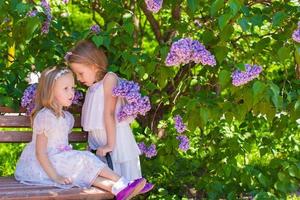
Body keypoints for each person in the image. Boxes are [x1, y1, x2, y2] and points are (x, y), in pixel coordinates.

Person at [14, 66, 148, 200]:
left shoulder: (66, 117)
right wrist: (56, 177)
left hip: (60, 160)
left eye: (72, 88)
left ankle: (118, 188)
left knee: (84, 171)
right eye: (65, 88)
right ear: (50, 91)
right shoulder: (45, 117)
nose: (71, 93)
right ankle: (124, 182)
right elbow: (40, 153)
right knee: (84, 159)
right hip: (45, 165)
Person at [66, 40, 153, 193]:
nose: (78, 78)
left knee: (122, 180)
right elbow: (94, 125)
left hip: (114, 140)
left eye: (80, 73)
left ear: (93, 65)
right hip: (100, 143)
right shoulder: (92, 87)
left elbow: (109, 113)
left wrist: (110, 145)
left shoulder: (109, 79)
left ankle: (131, 186)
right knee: (110, 186)